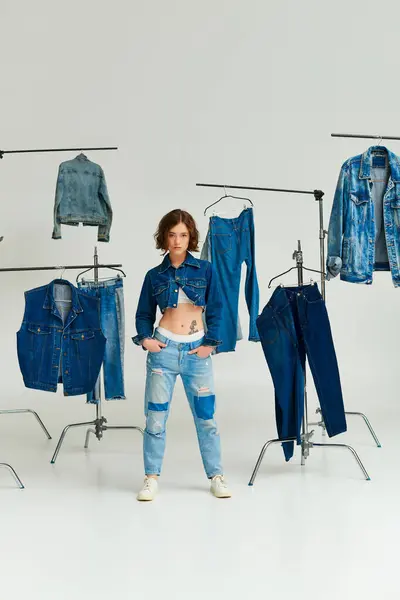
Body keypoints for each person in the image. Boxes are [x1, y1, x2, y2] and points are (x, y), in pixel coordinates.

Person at [132, 209, 232, 501]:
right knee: (155, 418)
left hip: (196, 352)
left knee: (206, 418)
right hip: (163, 351)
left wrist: (210, 344)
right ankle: (151, 478)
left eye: (184, 235)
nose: (178, 240)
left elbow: (217, 308)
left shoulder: (206, 269)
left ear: (191, 238)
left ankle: (217, 476)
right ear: (164, 237)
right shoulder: (154, 276)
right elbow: (142, 314)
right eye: (172, 234)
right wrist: (146, 340)